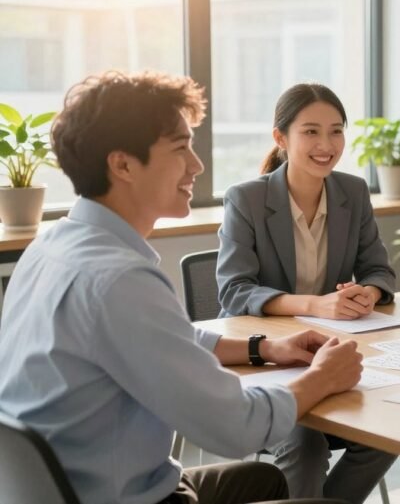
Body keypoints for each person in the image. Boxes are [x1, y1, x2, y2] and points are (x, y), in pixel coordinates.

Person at [0, 70, 362, 504]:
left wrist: (263, 348)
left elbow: (168, 339)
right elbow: (237, 426)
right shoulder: (120, 279)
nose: (197, 165)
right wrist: (322, 378)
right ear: (123, 164)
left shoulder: (52, 245)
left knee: (267, 482)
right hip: (135, 497)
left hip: (79, 486)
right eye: (180, 148)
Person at [217, 83, 397, 499]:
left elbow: (379, 269)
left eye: (336, 131)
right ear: (280, 138)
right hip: (269, 361)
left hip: (336, 353)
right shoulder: (247, 199)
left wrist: (369, 292)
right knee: (304, 441)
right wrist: (315, 305)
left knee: (390, 426)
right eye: (311, 132)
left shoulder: (352, 192)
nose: (326, 144)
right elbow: (234, 291)